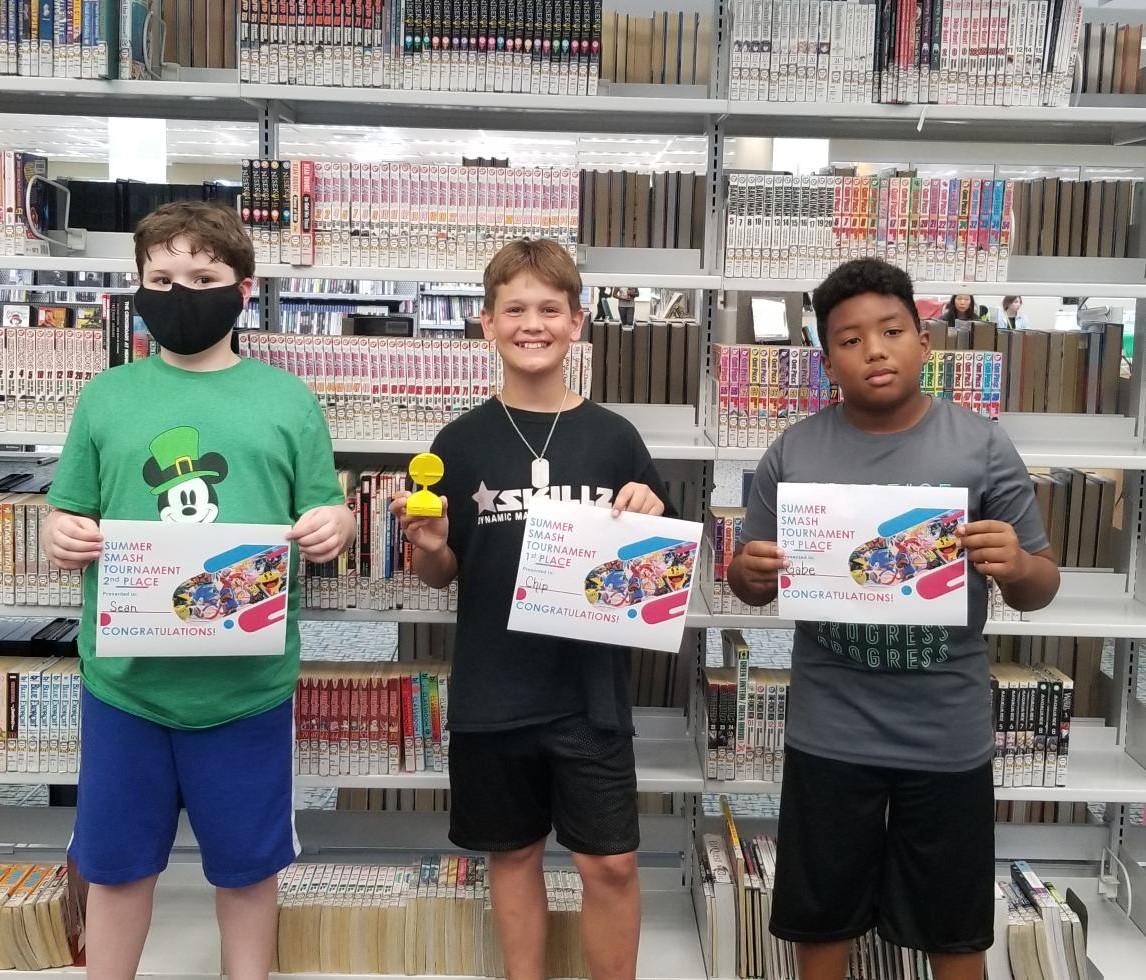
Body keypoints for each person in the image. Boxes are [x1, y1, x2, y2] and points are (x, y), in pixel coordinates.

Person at [41, 201, 356, 980]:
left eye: (203, 277)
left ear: (241, 289)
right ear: (139, 287)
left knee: (249, 868)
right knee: (115, 865)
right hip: (126, 684)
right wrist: (60, 534)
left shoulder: (287, 401)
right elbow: (68, 513)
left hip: (246, 686)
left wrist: (335, 526)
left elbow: (321, 508)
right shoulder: (106, 397)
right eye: (163, 278)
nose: (182, 291)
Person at [728, 258, 1060, 980]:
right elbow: (750, 584)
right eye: (849, 340)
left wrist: (1016, 563)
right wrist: (746, 572)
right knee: (820, 915)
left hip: (944, 729)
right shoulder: (793, 450)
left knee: (955, 925)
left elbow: (1041, 587)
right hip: (830, 728)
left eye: (891, 331)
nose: (873, 350)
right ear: (827, 363)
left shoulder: (981, 446)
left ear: (924, 341)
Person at [390, 238, 672, 980]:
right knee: (511, 854)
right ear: (486, 324)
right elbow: (440, 576)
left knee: (609, 864)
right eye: (514, 308)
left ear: (578, 322)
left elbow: (655, 573)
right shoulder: (458, 442)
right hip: (494, 689)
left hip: (590, 695)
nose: (533, 323)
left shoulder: (615, 439)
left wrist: (646, 509)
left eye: (551, 308)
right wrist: (426, 544)